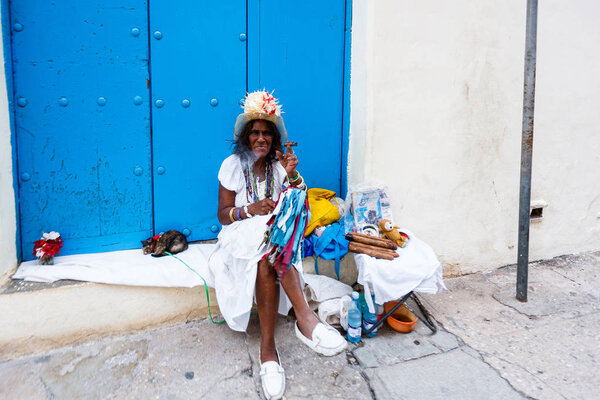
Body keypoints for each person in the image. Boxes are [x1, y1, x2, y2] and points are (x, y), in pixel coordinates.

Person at [209, 91, 346, 400]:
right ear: (246, 137)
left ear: (272, 138)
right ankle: (304, 320)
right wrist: (250, 209)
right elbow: (223, 215)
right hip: (240, 236)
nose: (261, 138)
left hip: (272, 241)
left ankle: (269, 350)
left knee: (267, 256)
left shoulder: (279, 165)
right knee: (267, 244)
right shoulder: (232, 165)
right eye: (255, 133)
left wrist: (294, 174)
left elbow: (298, 201)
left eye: (266, 133)